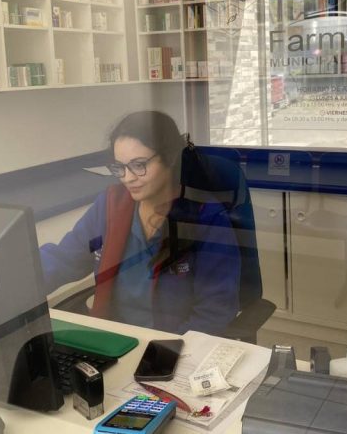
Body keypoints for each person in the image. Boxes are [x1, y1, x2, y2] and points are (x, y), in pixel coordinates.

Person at [40, 111, 241, 336]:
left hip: (172, 345)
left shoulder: (206, 218)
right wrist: (17, 279)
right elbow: (64, 259)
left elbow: (214, 312)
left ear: (170, 158)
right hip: (115, 340)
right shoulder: (110, 206)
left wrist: (166, 350)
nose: (128, 177)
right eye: (119, 167)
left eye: (139, 165)